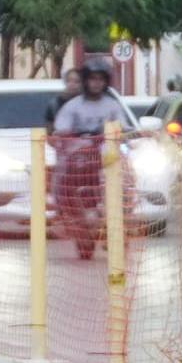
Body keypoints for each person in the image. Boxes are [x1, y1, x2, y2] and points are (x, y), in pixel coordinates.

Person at [49, 63, 131, 261]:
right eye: (92, 79)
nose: (96, 83)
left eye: (100, 79)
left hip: (106, 160)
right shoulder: (73, 106)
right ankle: (64, 211)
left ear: (105, 82)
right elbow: (60, 130)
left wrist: (127, 135)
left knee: (125, 183)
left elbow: (124, 128)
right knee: (58, 183)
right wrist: (67, 136)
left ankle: (117, 226)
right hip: (77, 160)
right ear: (86, 81)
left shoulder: (112, 106)